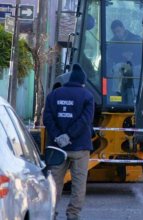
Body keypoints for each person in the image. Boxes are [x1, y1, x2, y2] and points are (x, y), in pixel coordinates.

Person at [43, 63, 94, 220]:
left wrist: (59, 136)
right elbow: (85, 120)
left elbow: (47, 118)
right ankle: (73, 215)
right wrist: (69, 136)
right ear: (82, 82)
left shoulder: (54, 95)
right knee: (78, 184)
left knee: (54, 183)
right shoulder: (87, 96)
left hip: (57, 148)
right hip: (79, 148)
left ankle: (51, 213)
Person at [108, 20, 142, 101]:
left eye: (118, 31)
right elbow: (110, 55)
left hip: (136, 64)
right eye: (114, 32)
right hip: (124, 65)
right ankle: (116, 95)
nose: (117, 34)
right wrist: (122, 55)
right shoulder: (113, 42)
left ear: (123, 28)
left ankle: (139, 95)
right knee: (117, 68)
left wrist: (132, 56)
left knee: (141, 69)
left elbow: (142, 53)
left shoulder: (136, 39)